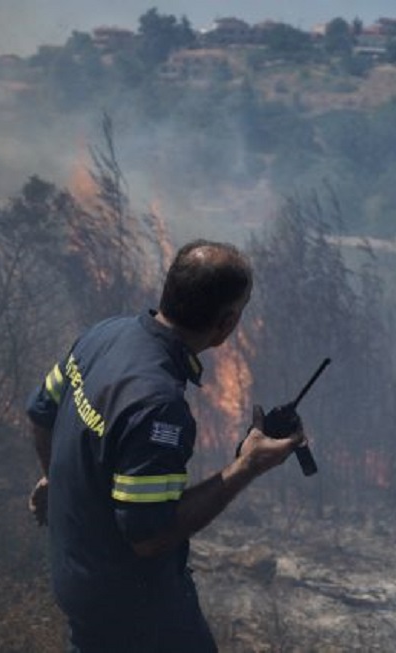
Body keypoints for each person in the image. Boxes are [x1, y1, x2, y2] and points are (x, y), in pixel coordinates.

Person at [25, 239, 307, 652]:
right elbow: (149, 536)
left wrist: (55, 477)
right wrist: (246, 467)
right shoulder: (159, 407)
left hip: (78, 585)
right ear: (227, 323)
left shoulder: (103, 334)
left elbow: (40, 412)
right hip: (134, 616)